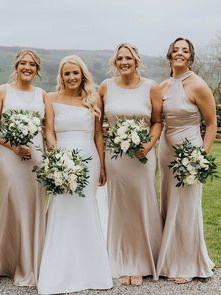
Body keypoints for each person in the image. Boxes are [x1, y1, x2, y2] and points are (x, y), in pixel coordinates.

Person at [37, 55, 113, 294]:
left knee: (84, 208)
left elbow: (98, 136)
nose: (71, 77)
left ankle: (91, 269)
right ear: (61, 76)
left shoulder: (92, 100)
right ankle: (59, 270)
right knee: (61, 209)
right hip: (63, 160)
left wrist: (101, 166)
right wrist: (58, 158)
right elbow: (48, 131)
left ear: (83, 75)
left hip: (88, 161)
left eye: (75, 73)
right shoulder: (50, 98)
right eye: (67, 73)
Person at [98, 43, 163, 285]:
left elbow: (157, 122)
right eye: (119, 58)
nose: (124, 62)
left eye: (128, 58)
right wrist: (102, 164)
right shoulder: (105, 87)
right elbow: (97, 126)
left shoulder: (151, 87)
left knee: (142, 203)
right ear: (115, 62)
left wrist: (149, 145)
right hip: (115, 159)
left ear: (136, 61)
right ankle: (123, 260)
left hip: (142, 157)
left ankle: (144, 260)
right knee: (120, 207)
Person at [156, 37, 217, 283]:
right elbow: (156, 122)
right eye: (175, 50)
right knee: (169, 204)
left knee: (187, 207)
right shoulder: (162, 87)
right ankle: (168, 258)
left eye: (185, 51)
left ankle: (189, 263)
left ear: (190, 58)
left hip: (190, 152)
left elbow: (211, 124)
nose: (180, 53)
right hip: (166, 152)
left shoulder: (199, 85)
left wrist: (200, 157)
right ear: (169, 55)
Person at [0, 49, 46, 286]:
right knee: (13, 204)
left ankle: (31, 263)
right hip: (10, 158)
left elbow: (48, 129)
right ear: (16, 66)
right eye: (23, 63)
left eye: (32, 64)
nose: (27, 67)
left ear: (37, 69)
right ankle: (7, 261)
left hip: (36, 159)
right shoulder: (3, 91)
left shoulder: (42, 95)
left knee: (33, 206)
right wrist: (12, 145)